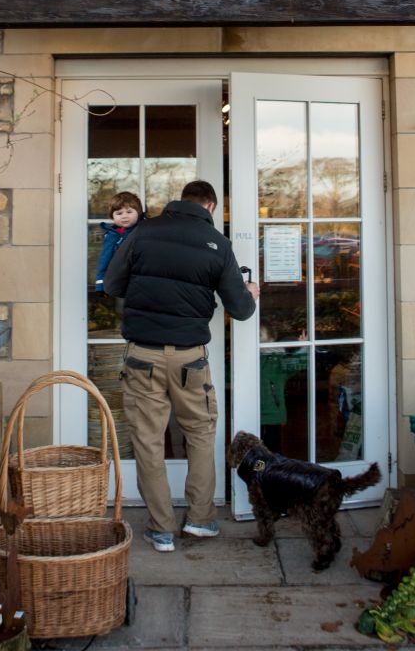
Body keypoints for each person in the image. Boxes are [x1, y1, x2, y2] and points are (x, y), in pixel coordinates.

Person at [103, 179, 259, 552]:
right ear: (209, 207)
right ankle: (201, 521)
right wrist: (250, 292)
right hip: (190, 357)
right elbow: (240, 310)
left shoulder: (142, 233)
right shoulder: (217, 245)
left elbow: (112, 284)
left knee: (148, 440)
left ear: (179, 202)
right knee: (201, 435)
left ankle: (161, 529)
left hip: (142, 354)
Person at [95, 190, 144, 292]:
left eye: (129, 212)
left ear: (138, 213)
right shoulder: (111, 236)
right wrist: (100, 284)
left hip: (141, 280)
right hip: (119, 282)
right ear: (112, 216)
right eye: (119, 213)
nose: (124, 216)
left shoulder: (144, 230)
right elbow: (104, 260)